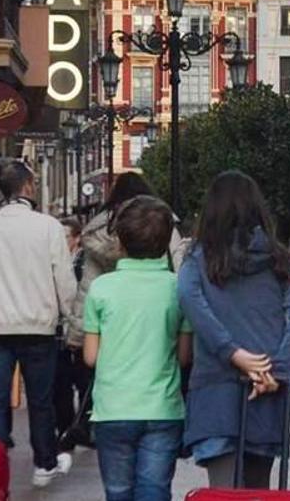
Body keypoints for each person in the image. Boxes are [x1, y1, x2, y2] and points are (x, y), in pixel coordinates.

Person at [178, 171, 290, 488]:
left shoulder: (199, 258)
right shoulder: (280, 260)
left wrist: (230, 352)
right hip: (266, 393)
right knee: (258, 491)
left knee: (223, 491)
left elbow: (188, 297)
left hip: (215, 391)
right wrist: (276, 371)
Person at [0, 161, 77, 487]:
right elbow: (64, 281)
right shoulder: (48, 227)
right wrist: (69, 317)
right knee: (41, 400)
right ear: (27, 187)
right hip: (38, 327)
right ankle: (44, 462)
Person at [83, 196, 193, 500]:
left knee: (118, 492)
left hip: (112, 408)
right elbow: (184, 357)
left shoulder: (102, 288)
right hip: (163, 408)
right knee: (155, 491)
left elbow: (90, 357)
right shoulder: (178, 288)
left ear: (120, 240)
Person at [70, 173, 186, 354]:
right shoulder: (162, 223)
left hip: (110, 332)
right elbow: (178, 266)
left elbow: (88, 284)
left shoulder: (100, 231)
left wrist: (77, 336)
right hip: (158, 324)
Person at [56, 216, 95, 451]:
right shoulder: (56, 261)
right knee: (61, 381)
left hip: (80, 328)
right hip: (60, 331)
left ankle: (83, 425)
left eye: (66, 238)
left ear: (77, 239)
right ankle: (68, 425)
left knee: (83, 379)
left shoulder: (83, 262)